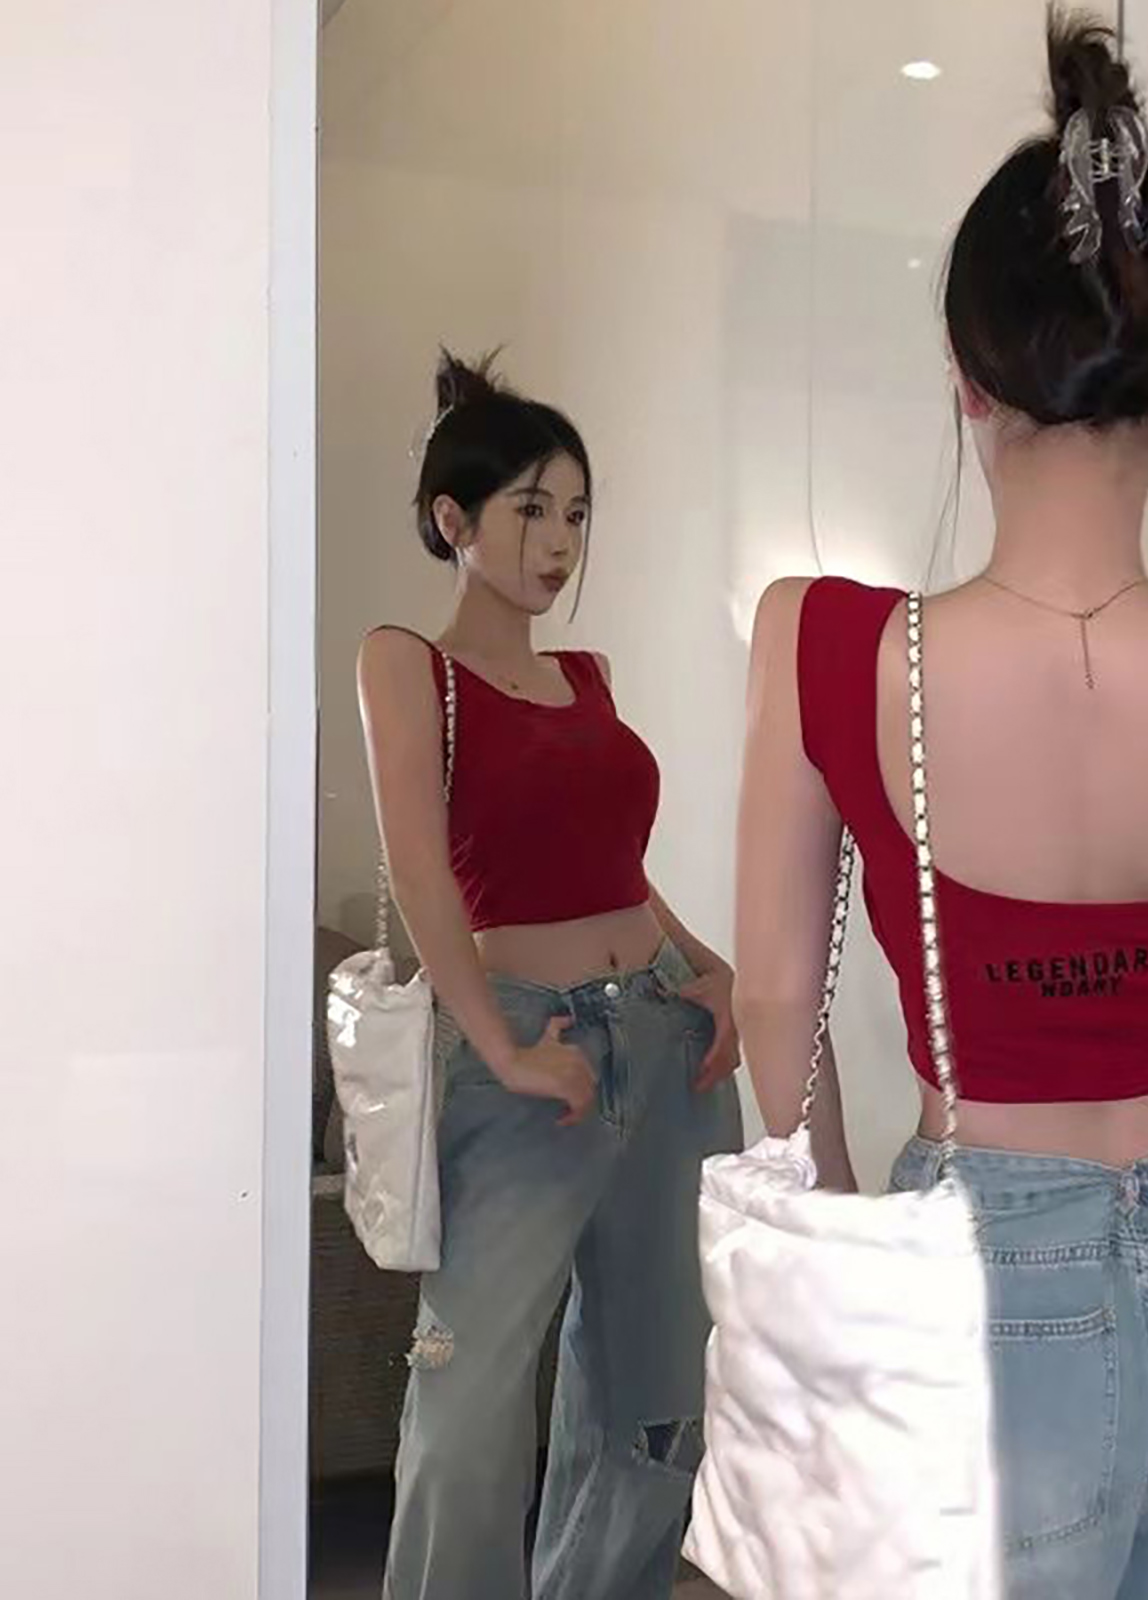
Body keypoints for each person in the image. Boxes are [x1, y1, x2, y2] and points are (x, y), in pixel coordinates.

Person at [733, 15, 1148, 1600]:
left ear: (967, 381)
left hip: (974, 1286)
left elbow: (773, 1010)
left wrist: (853, 1242)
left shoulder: (827, 646)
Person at [360, 351, 743, 1600]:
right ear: (452, 519)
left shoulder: (589, 678)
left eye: (576, 512)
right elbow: (422, 873)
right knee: (465, 1405)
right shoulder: (406, 665)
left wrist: (709, 968)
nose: (560, 540)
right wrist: (503, 1046)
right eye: (530, 509)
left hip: (663, 1039)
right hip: (524, 1045)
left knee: (657, 1399)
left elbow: (616, 865)